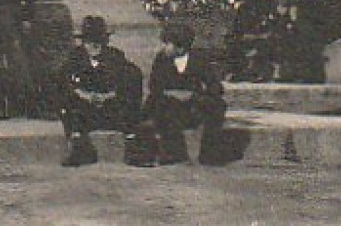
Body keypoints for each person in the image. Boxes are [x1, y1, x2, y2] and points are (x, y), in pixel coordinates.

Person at [53, 15, 145, 167]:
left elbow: (129, 81)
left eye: (97, 42)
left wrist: (110, 95)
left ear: (105, 42)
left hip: (111, 108)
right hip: (85, 109)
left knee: (129, 107)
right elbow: (63, 82)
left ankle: (133, 148)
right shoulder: (75, 57)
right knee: (70, 107)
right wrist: (81, 94)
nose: (93, 46)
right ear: (83, 42)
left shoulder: (115, 57)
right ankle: (79, 148)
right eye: (88, 42)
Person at [143, 20, 228, 166]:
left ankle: (208, 155)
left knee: (218, 106)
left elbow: (215, 86)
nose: (164, 47)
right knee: (158, 105)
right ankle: (170, 153)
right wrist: (172, 94)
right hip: (170, 105)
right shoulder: (161, 59)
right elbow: (154, 86)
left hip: (193, 105)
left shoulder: (199, 60)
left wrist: (193, 95)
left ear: (180, 46)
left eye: (167, 43)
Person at [277, 0, 331, 84]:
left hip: (310, 39)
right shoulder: (298, 1)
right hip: (301, 38)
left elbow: (315, 23)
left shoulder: (315, 2)